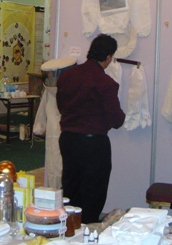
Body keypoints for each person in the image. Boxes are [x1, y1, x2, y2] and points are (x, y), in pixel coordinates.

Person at [56, 34, 125, 224]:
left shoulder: (66, 76)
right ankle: (87, 228)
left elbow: (61, 107)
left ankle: (69, 227)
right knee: (93, 192)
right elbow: (116, 120)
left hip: (68, 139)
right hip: (93, 144)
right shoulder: (105, 83)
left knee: (71, 186)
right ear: (109, 57)